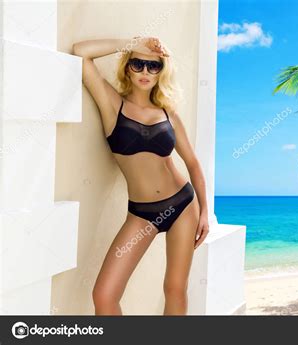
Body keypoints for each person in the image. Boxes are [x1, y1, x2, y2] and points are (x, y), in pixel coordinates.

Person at [72, 36, 209, 315]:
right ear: (128, 67)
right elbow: (81, 53)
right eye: (138, 63)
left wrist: (205, 211)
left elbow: (193, 163)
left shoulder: (167, 113)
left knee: (174, 288)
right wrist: (132, 42)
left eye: (153, 66)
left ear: (161, 72)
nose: (146, 71)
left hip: (183, 204)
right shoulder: (112, 104)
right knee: (104, 295)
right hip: (141, 214)